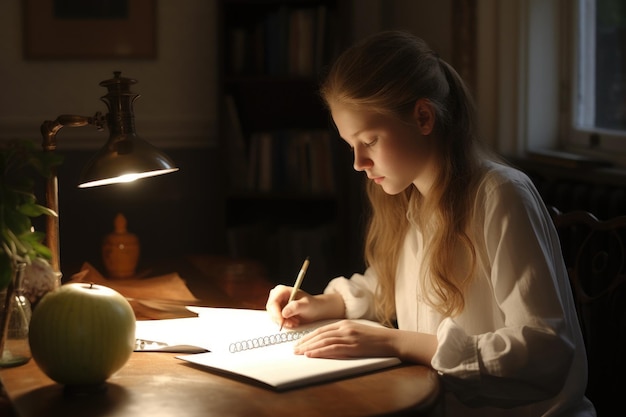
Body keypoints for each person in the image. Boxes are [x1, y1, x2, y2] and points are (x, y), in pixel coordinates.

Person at [265, 31, 596, 416]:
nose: (358, 162)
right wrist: (325, 303)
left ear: (423, 117)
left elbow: (545, 350)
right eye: (349, 144)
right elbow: (388, 285)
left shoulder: (500, 195)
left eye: (369, 140)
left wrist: (397, 343)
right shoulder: (411, 200)